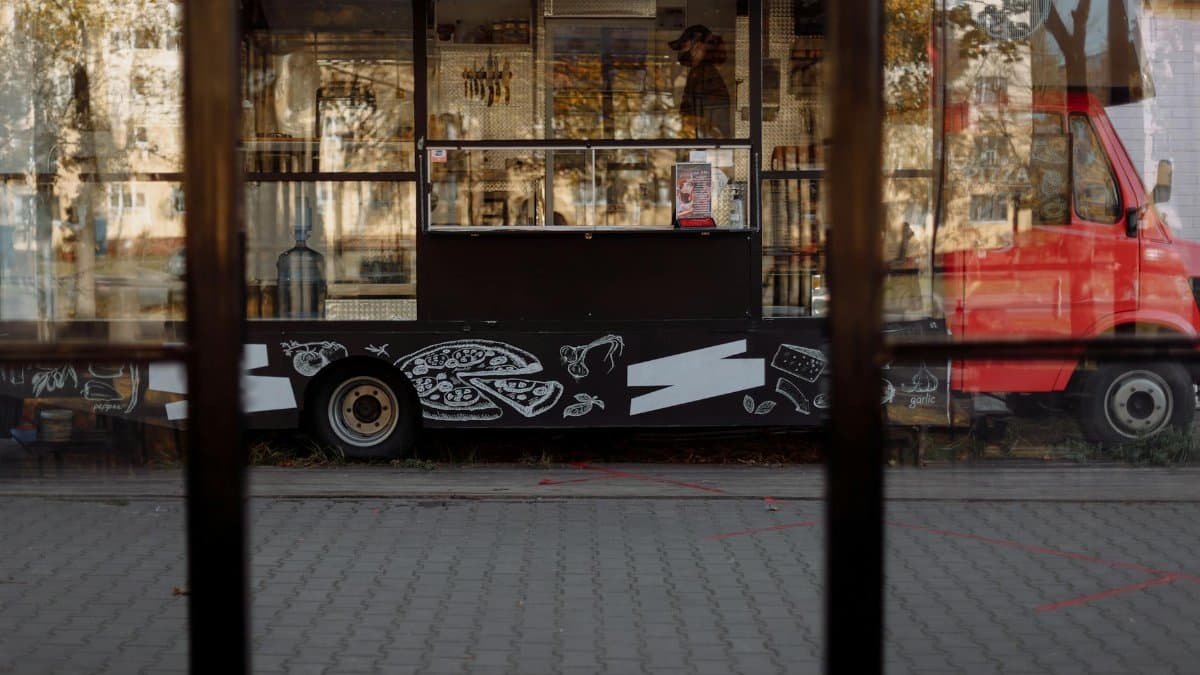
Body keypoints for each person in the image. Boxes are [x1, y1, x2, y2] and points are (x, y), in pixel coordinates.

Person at [669, 25, 732, 139]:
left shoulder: (702, 73)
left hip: (707, 143)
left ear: (697, 45)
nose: (682, 51)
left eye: (684, 46)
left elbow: (702, 117)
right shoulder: (701, 72)